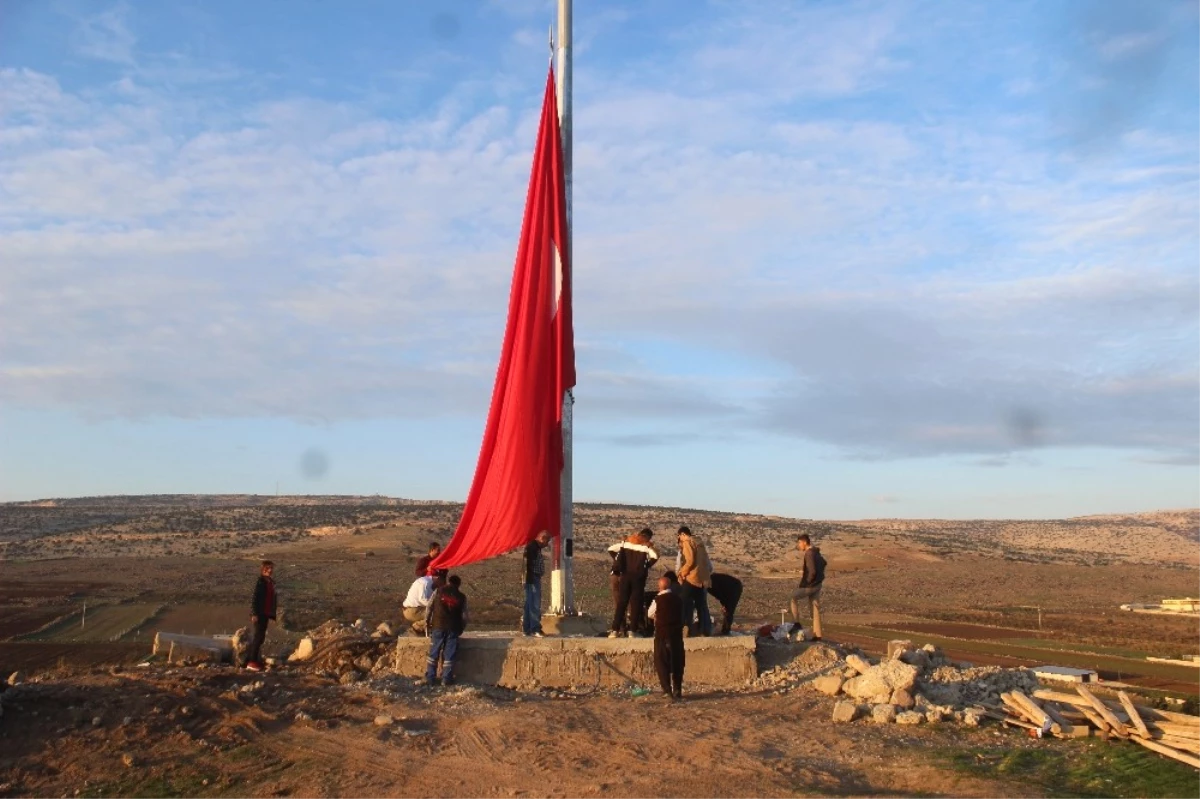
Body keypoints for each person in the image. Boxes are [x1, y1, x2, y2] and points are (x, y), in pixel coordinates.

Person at [608, 528, 659, 638]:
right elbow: (655, 556)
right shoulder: (645, 546)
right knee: (635, 604)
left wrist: (617, 561)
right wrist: (647, 565)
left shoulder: (626, 543)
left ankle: (615, 630)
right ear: (648, 537)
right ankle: (633, 631)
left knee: (622, 603)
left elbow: (611, 548)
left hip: (625, 576)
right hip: (638, 578)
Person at [424, 574, 468, 686]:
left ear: (448, 582)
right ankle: (446, 679)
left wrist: (427, 622)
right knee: (449, 654)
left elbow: (429, 607)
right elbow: (465, 616)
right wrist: (461, 628)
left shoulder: (438, 591)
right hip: (453, 628)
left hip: (437, 626)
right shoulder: (462, 597)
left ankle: (430, 678)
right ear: (458, 584)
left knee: (434, 652)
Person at [652, 574, 685, 700]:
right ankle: (677, 690)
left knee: (662, 662)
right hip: (676, 635)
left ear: (659, 587)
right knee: (677, 663)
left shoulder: (657, 600)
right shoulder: (679, 599)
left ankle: (667, 690)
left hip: (662, 635)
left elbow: (650, 613)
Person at [676, 526, 713, 636]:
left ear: (682, 534)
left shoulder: (688, 542)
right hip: (702, 580)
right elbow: (707, 564)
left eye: (679, 536)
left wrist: (682, 573)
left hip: (692, 578)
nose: (680, 539)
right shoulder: (700, 544)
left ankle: (681, 628)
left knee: (682, 602)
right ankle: (704, 630)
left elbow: (690, 561)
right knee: (701, 605)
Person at [790, 534, 826, 641]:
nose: (798, 545)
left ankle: (796, 624)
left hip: (811, 585)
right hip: (818, 584)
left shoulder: (809, 554)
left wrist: (807, 583)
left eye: (799, 543)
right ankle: (817, 635)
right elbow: (824, 563)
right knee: (815, 609)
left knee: (793, 598)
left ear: (804, 542)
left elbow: (812, 571)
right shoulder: (816, 552)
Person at [244, 560, 277, 671]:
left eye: (271, 568)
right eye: (268, 568)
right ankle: (251, 662)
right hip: (259, 613)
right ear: (263, 569)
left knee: (261, 637)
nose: (271, 570)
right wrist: (254, 613)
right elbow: (254, 598)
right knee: (258, 637)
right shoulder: (261, 582)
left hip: (266, 613)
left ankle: (254, 660)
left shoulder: (270, 582)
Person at [522, 530, 551, 637]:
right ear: (542, 538)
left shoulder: (534, 548)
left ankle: (527, 628)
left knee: (529, 604)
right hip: (532, 578)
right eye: (547, 541)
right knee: (534, 603)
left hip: (532, 578)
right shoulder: (532, 548)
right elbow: (527, 565)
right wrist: (529, 578)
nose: (547, 544)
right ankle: (534, 628)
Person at [403, 570, 444, 635]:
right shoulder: (424, 583)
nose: (441, 585)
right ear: (438, 578)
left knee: (437, 613)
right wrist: (436, 606)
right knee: (438, 615)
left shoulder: (428, 583)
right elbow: (422, 599)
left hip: (415, 609)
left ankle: (422, 630)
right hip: (412, 610)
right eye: (441, 582)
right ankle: (416, 627)